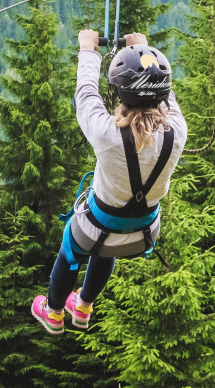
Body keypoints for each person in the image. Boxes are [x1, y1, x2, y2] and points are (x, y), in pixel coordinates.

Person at [31, 30, 187, 334]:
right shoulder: (177, 132)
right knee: (107, 246)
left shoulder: (108, 135)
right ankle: (84, 307)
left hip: (95, 227)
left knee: (72, 250)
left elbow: (86, 94)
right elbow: (167, 96)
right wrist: (143, 52)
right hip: (144, 232)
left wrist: (89, 50)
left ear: (121, 93)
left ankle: (52, 312)